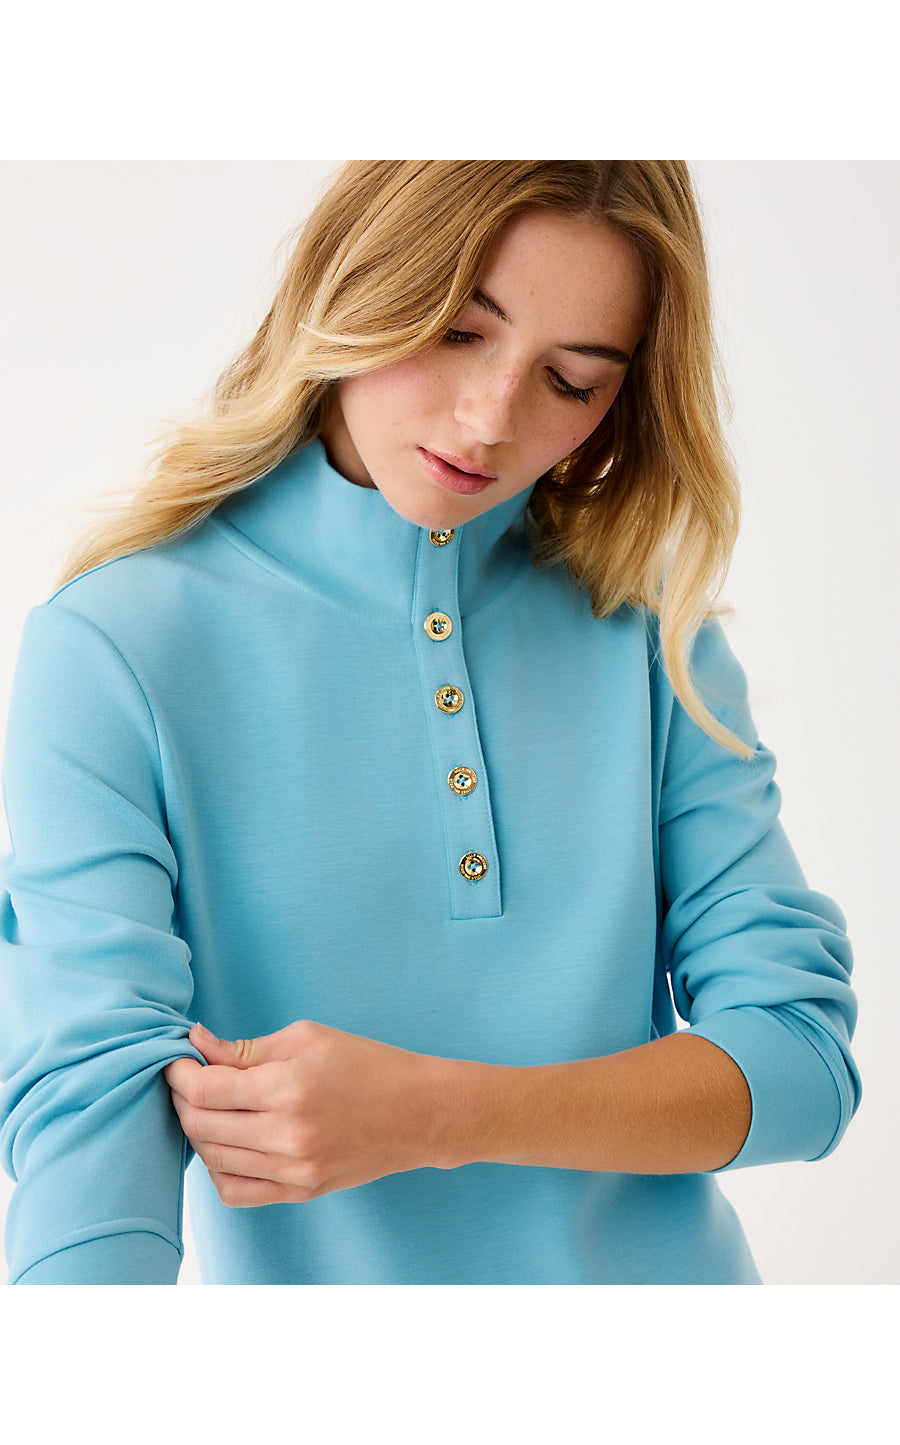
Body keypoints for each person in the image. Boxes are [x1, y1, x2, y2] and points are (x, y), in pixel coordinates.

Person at [0, 160, 860, 1285]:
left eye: (572, 379)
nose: (491, 418)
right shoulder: (118, 645)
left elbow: (801, 1062)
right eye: (459, 331)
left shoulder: (649, 637)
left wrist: (438, 1112)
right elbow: (89, 1102)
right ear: (357, 281)